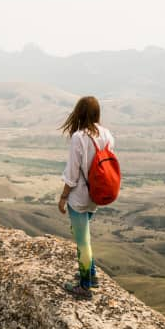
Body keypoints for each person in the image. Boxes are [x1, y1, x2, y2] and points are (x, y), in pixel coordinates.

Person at [58, 96, 115, 299]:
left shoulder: (79, 137)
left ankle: (84, 286)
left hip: (79, 196)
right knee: (84, 233)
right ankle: (90, 275)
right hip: (96, 194)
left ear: (79, 113)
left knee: (83, 241)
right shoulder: (107, 134)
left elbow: (72, 172)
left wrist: (64, 196)